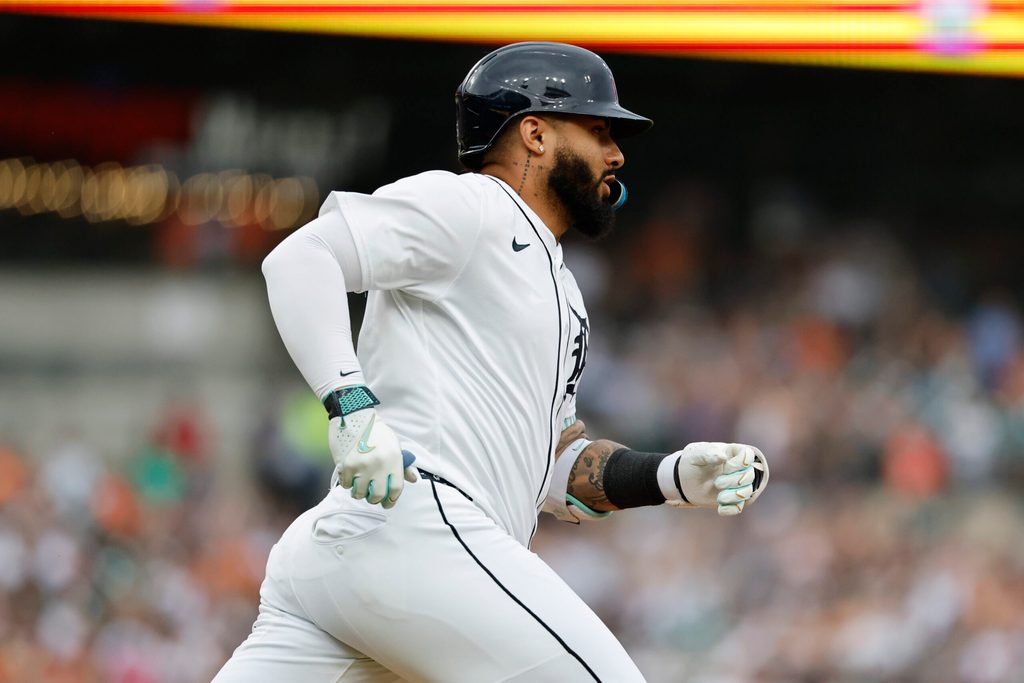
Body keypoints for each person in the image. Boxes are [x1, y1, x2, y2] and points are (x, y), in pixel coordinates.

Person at [213, 42, 768, 683]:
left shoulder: (562, 287)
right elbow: (300, 259)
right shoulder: (473, 207)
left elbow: (554, 468)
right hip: (419, 528)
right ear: (534, 133)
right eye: (597, 129)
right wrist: (351, 408)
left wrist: (670, 475)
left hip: (358, 559)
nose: (615, 153)